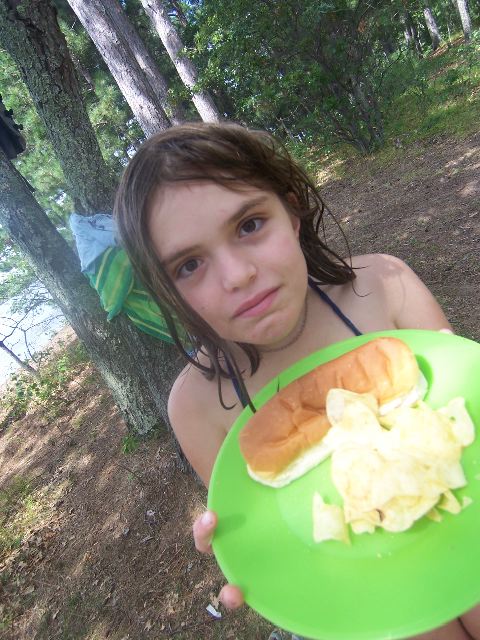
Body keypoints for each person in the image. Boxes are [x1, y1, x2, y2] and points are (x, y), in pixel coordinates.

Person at [114, 122, 480, 640]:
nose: (237, 275)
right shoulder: (196, 407)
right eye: (190, 265)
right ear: (168, 291)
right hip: (366, 574)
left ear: (291, 211)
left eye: (249, 225)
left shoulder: (387, 287)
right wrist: (251, 557)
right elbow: (270, 532)